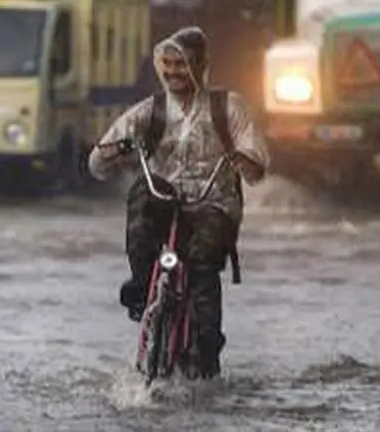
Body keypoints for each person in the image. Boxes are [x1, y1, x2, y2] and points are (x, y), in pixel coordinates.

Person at [87, 26, 269, 379]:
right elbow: (96, 164)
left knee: (202, 261)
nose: (173, 72)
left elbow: (257, 166)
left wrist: (242, 160)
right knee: (142, 193)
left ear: (201, 65)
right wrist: (116, 150)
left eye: (182, 64)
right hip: (164, 203)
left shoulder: (228, 108)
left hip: (213, 203)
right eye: (167, 64)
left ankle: (206, 342)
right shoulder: (148, 111)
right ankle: (142, 288)